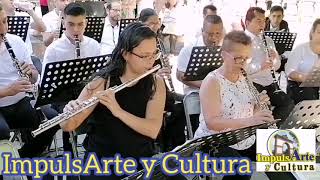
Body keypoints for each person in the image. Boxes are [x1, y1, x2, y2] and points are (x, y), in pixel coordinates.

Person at [60, 22, 166, 179]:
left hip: (140, 162)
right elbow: (68, 125)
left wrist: (118, 111)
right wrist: (69, 111)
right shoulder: (102, 82)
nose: (151, 62)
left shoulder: (156, 82)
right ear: (125, 54)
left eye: (154, 54)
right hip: (103, 164)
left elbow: (152, 130)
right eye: (144, 56)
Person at [194, 30, 296, 180]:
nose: (243, 63)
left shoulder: (244, 76)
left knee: (288, 155)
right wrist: (252, 121)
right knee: (242, 170)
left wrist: (258, 106)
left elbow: (250, 111)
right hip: (216, 141)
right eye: (238, 58)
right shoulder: (212, 81)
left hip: (244, 136)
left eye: (247, 59)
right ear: (223, 54)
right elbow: (212, 123)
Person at [41, 2, 100, 154]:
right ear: (63, 22)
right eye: (71, 24)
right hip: (62, 97)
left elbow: (100, 76)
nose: (76, 29)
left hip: (87, 93)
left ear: (86, 23)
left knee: (108, 112)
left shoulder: (94, 45)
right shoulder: (53, 49)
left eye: (80, 24)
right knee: (69, 117)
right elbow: (45, 84)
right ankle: (70, 158)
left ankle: (96, 152)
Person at [0, 4, 56, 159]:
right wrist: (8, 91)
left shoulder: (16, 41)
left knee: (53, 120)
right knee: (2, 132)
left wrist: (31, 74)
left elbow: (34, 73)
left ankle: (20, 158)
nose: (3, 29)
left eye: (4, 21)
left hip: (20, 101)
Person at [139, 8, 186, 150]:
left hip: (159, 86)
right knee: (173, 106)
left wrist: (166, 68)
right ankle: (166, 142)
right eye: (150, 23)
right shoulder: (138, 43)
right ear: (141, 23)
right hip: (146, 88)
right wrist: (157, 74)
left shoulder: (158, 41)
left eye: (157, 23)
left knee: (183, 102)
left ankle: (174, 142)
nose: (155, 26)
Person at [244, 7, 294, 124]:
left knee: (288, 104)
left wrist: (276, 59)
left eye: (264, 21)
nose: (262, 24)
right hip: (252, 84)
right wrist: (259, 66)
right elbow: (241, 69)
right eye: (258, 21)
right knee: (263, 111)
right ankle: (264, 130)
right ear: (247, 23)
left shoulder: (269, 40)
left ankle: (271, 128)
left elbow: (276, 67)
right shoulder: (242, 41)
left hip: (270, 83)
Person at [285, 19, 320, 104]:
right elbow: (290, 72)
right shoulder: (301, 49)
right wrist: (311, 80)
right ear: (312, 32)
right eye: (319, 32)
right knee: (310, 96)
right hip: (298, 86)